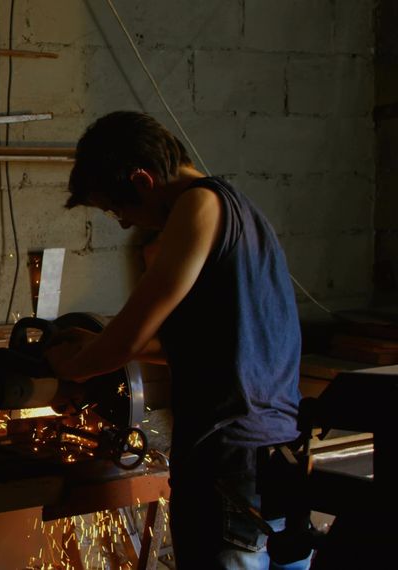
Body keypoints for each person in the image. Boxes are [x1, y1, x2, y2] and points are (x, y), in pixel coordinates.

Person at [45, 111, 311, 569]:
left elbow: (132, 333)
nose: (125, 223)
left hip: (226, 458)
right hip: (273, 453)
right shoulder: (241, 214)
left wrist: (68, 367)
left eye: (117, 208)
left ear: (143, 180)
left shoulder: (198, 205)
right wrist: (96, 341)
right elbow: (198, 346)